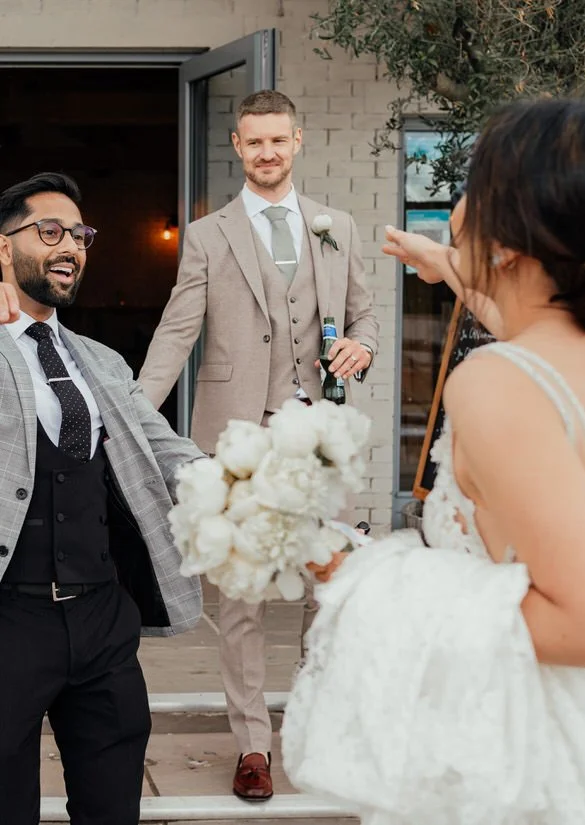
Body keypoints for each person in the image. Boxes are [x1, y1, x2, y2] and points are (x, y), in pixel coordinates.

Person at [283, 98, 585, 824]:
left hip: (525, 751)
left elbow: (580, 620)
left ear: (509, 237)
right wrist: (449, 265)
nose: (455, 205)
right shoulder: (560, 355)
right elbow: (520, 311)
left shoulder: (497, 379)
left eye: (472, 187)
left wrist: (369, 579)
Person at [139, 89, 379, 800]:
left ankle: (311, 725)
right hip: (238, 438)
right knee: (241, 597)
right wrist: (127, 413)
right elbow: (177, 331)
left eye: (278, 140)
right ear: (238, 148)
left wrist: (361, 346)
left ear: (296, 141)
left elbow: (363, 314)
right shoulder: (209, 235)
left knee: (328, 589)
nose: (267, 152)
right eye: (254, 142)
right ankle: (252, 745)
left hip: (322, 440)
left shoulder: (337, 227)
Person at [0, 172, 204, 825]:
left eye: (80, 235)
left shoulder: (101, 360)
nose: (72, 246)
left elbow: (165, 449)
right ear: (3, 247)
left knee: (114, 806)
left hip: (101, 619)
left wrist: (246, 485)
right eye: (50, 231)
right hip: (10, 618)